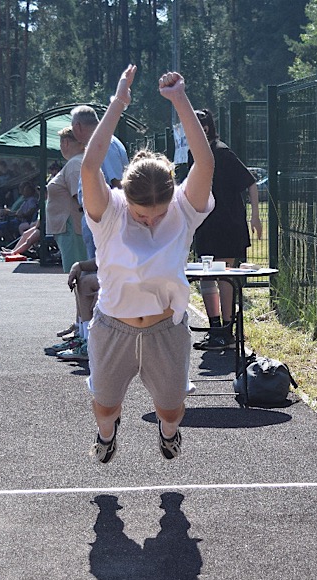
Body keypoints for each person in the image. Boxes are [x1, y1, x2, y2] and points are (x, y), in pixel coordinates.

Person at [82, 65, 214, 464]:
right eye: (143, 216)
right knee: (105, 406)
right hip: (113, 327)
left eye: (158, 215)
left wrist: (180, 100)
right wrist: (118, 103)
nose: (152, 221)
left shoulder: (183, 210)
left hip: (165, 329)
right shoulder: (109, 212)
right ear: (125, 194)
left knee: (171, 410)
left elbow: (204, 162)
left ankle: (168, 432)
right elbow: (90, 166)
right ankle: (107, 436)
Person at [189, 108, 262, 350]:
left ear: (207, 128)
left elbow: (251, 183)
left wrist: (255, 217)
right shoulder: (194, 154)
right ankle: (214, 327)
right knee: (205, 275)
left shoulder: (221, 152)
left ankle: (226, 331)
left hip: (227, 223)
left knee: (224, 274)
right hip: (205, 223)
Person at [71, 104, 129, 260]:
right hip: (102, 216)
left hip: (104, 219)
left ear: (77, 126)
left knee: (99, 270)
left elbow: (117, 183)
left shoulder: (104, 144)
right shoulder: (105, 142)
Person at [48, 126, 87, 271]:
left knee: (76, 273)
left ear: (65, 142)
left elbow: (81, 197)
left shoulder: (74, 164)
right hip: (71, 227)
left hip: (72, 228)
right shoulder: (77, 162)